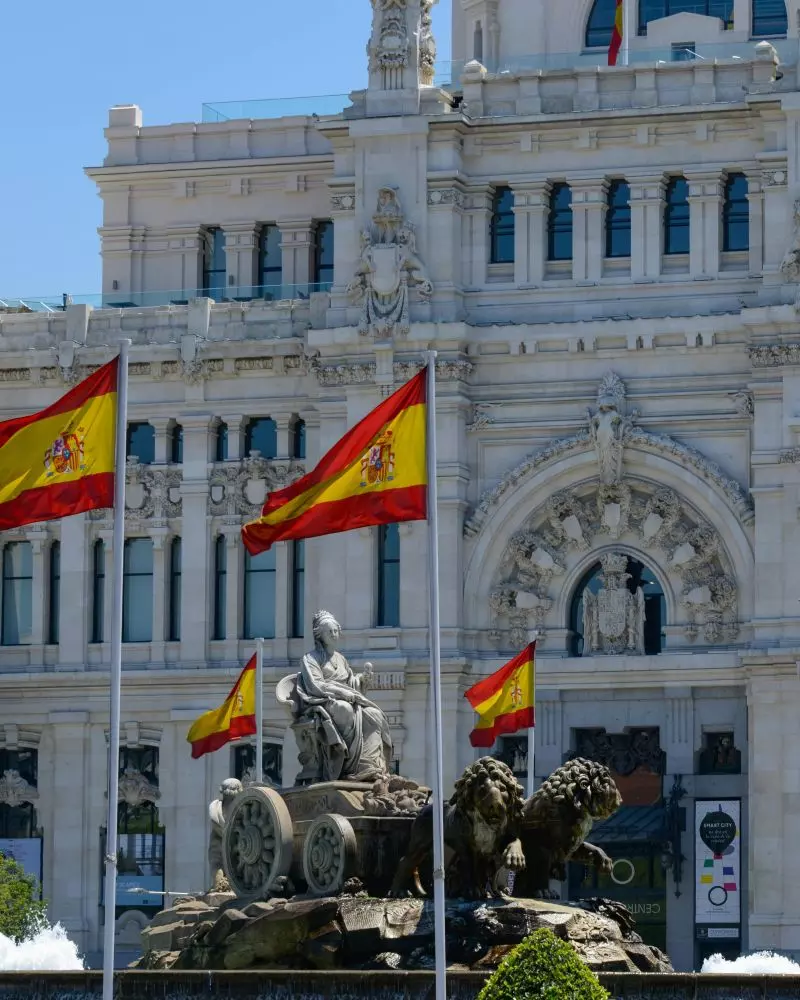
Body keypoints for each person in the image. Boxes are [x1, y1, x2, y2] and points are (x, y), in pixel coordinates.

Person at [278, 609, 393, 782]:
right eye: (329, 631)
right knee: (344, 709)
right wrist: (342, 692)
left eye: (335, 630)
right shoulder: (310, 659)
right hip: (323, 701)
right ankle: (346, 765)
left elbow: (351, 683)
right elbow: (316, 685)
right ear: (320, 636)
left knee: (375, 715)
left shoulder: (341, 659)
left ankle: (368, 764)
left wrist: (362, 680)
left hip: (347, 699)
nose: (333, 634)